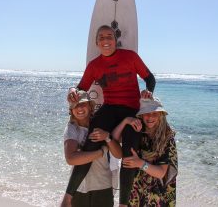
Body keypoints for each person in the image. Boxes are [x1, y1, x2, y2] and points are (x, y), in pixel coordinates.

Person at [63, 25, 156, 206]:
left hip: (132, 109)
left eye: (109, 37)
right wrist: (73, 89)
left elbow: (150, 78)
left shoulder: (130, 57)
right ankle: (69, 195)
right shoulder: (94, 65)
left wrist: (148, 92)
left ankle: (122, 204)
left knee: (130, 156)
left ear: (115, 41)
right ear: (97, 43)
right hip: (110, 107)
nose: (106, 41)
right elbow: (81, 87)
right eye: (102, 38)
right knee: (91, 141)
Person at [113, 97, 178, 207]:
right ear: (141, 115)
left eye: (155, 113)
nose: (150, 117)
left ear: (161, 115)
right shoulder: (139, 131)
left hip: (159, 194)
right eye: (147, 113)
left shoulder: (166, 138)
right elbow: (114, 137)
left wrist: (140, 163)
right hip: (137, 190)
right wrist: (125, 121)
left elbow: (161, 173)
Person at [63, 90, 122, 207]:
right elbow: (71, 159)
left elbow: (118, 154)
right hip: (80, 186)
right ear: (71, 110)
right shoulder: (72, 129)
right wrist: (101, 152)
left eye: (83, 104)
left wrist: (108, 137)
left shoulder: (102, 125)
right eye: (75, 106)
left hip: (103, 184)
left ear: (90, 107)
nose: (79, 108)